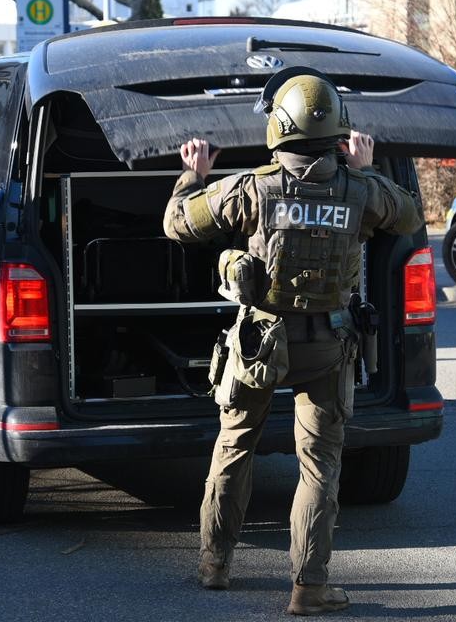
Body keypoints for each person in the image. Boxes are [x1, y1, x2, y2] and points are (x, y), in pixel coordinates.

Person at [162, 67, 424, 616]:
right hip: (328, 347)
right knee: (320, 466)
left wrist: (193, 176)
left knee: (234, 446)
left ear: (277, 127)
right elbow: (410, 217)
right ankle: (309, 588)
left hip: (259, 344)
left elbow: (178, 224)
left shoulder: (253, 187)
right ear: (338, 128)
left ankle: (215, 564)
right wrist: (367, 168)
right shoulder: (361, 190)